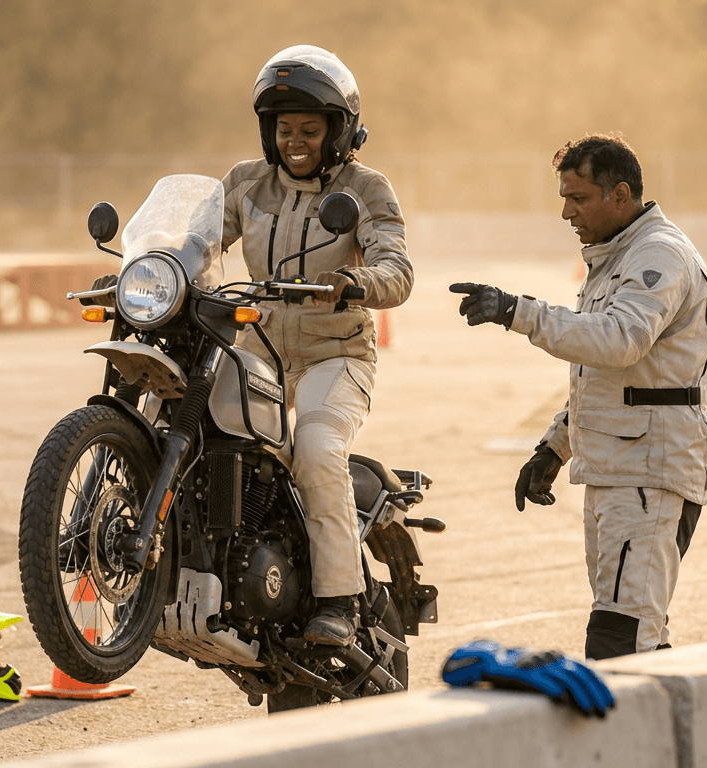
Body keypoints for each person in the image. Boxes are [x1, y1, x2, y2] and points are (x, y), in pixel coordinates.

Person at [450, 133, 707, 659]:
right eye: (564, 198)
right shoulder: (616, 255)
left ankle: (640, 741)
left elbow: (619, 341)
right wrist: (554, 448)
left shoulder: (658, 254)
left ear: (621, 195)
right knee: (637, 635)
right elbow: (610, 379)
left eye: (579, 198)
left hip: (649, 473)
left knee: (619, 640)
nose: (567, 212)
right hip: (621, 469)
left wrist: (515, 311)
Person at [219, 45, 412, 645]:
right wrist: (148, 270)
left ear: (339, 131)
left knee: (318, 448)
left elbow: (397, 269)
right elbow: (193, 241)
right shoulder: (245, 183)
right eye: (283, 129)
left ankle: (341, 600)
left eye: (309, 129)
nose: (294, 141)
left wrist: (355, 282)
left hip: (336, 357)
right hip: (257, 354)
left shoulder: (365, 189)